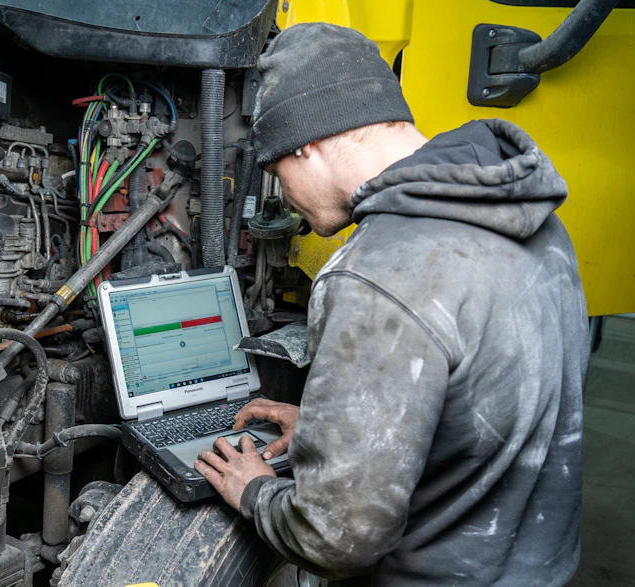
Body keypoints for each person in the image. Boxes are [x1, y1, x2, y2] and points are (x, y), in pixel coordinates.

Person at [193, 23, 589, 586]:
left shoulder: (377, 272)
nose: (283, 197)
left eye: (275, 170)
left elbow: (337, 537)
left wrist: (255, 492)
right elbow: (493, 407)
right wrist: (342, 431)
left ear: (306, 143)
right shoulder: (535, 221)